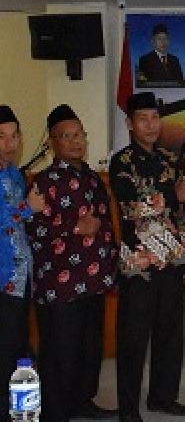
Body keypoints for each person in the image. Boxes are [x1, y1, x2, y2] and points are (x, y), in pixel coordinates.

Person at [109, 92, 185, 422]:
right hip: (139, 263)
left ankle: (163, 397)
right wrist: (173, 194)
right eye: (143, 119)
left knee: (170, 334)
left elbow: (182, 212)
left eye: (155, 118)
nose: (150, 125)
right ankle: (128, 409)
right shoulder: (122, 162)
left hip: (171, 258)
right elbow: (130, 207)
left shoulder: (169, 159)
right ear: (130, 124)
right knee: (133, 338)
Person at [28, 105, 118, 421]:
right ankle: (56, 411)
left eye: (79, 135)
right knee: (60, 352)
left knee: (90, 348)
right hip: (60, 284)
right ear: (53, 142)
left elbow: (106, 227)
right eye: (66, 136)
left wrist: (111, 268)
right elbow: (33, 228)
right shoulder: (44, 181)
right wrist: (74, 228)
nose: (75, 141)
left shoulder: (93, 179)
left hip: (93, 281)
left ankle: (83, 401)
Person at [0, 105, 45, 422]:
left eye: (14, 136)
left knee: (18, 350)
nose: (10, 144)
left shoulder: (15, 174)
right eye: (1, 137)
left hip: (21, 277)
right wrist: (28, 208)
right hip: (2, 278)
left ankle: (20, 412)